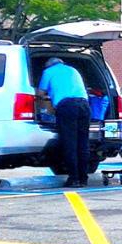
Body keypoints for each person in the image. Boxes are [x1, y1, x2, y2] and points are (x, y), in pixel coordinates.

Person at [40, 54, 92, 187]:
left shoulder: (48, 72)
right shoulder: (73, 70)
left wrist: (45, 105)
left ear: (48, 65)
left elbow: (40, 93)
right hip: (84, 106)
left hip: (67, 107)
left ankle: (74, 179)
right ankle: (83, 178)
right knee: (83, 144)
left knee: (70, 143)